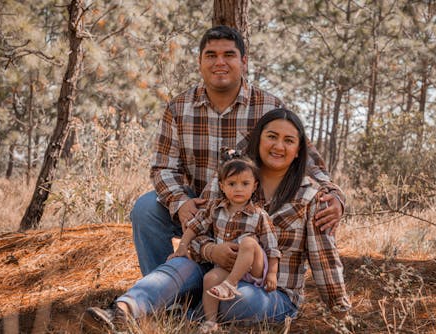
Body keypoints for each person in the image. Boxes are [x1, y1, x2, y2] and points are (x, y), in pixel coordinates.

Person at [83, 108, 350, 333]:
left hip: (271, 292)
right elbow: (198, 229)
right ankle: (122, 310)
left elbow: (324, 259)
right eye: (271, 137)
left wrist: (341, 312)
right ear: (258, 140)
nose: (279, 146)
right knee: (177, 267)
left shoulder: (312, 195)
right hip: (211, 273)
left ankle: (177, 317)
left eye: (288, 140)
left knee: (237, 299)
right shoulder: (231, 178)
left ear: (298, 149)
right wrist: (210, 250)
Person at [130, 25, 344, 278]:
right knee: (145, 209)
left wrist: (335, 196)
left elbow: (305, 160)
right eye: (211, 55)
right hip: (198, 207)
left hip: (248, 210)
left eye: (228, 55)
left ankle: (243, 288)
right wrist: (180, 202)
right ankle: (161, 294)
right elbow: (164, 167)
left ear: (243, 61)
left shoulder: (268, 107)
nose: (219, 62)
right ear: (200, 62)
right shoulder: (179, 108)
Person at [168, 151, 280, 333]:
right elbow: (194, 227)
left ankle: (230, 284)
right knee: (210, 278)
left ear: (254, 186)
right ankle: (210, 322)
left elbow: (272, 247)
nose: (238, 189)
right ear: (222, 186)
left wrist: (272, 274)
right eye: (232, 184)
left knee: (249, 242)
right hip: (227, 266)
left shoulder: (259, 215)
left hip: (254, 267)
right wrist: (182, 246)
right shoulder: (215, 209)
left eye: (245, 184)